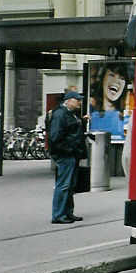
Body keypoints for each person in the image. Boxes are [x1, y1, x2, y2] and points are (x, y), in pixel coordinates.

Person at [49, 91, 88, 224]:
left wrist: (82, 122)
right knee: (64, 185)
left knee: (70, 185)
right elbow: (55, 137)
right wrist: (69, 149)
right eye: (77, 100)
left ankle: (67, 213)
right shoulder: (60, 114)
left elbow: (72, 131)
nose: (80, 102)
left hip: (72, 153)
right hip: (66, 154)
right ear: (68, 100)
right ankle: (58, 215)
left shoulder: (70, 114)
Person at [88, 62, 132, 142]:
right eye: (111, 75)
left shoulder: (128, 117)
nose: (116, 81)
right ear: (102, 79)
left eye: (121, 78)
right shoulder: (93, 115)